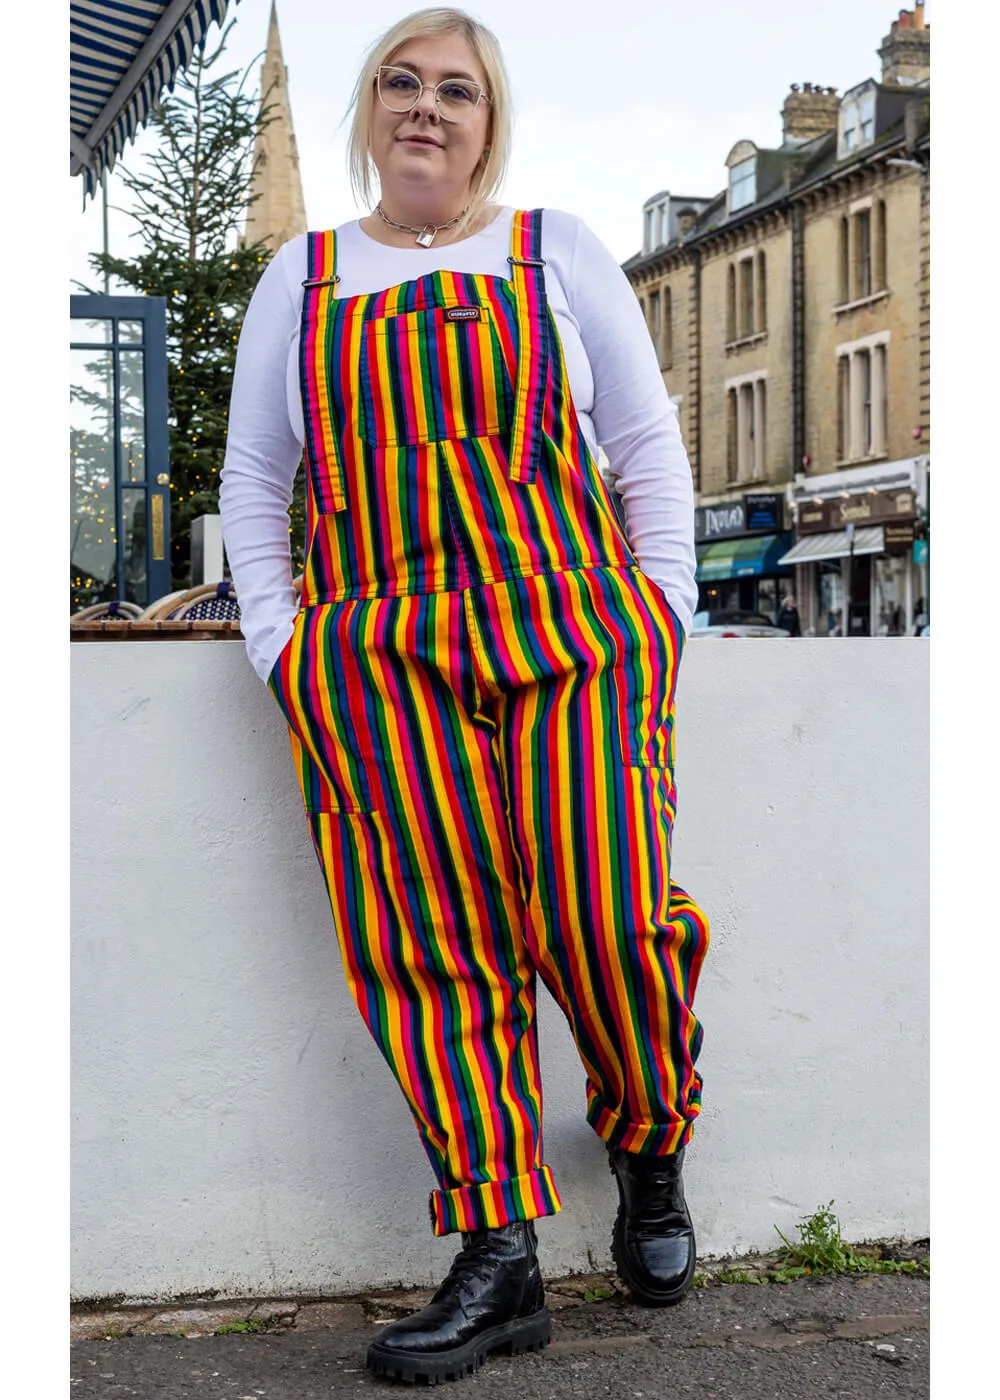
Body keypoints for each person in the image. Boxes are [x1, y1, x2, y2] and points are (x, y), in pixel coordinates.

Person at [220, 7, 709, 1385]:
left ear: (490, 121)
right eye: (401, 82)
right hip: (375, 659)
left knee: (603, 907)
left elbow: (642, 444)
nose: (425, 108)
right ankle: (498, 1256)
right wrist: (283, 646)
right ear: (368, 111)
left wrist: (659, 615)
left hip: (572, 630)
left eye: (455, 90)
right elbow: (259, 482)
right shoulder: (305, 278)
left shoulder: (556, 251)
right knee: (426, 944)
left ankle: (649, 1126)